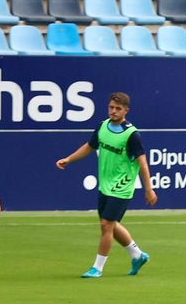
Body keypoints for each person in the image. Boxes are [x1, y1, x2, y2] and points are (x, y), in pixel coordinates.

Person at [55, 92, 158, 278]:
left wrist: (148, 189)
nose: (113, 111)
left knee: (106, 224)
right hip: (105, 185)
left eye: (118, 109)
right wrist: (69, 159)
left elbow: (143, 163)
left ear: (126, 111)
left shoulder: (131, 135)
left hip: (122, 186)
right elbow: (89, 146)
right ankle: (137, 255)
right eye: (111, 107)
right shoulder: (102, 126)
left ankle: (97, 267)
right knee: (110, 224)